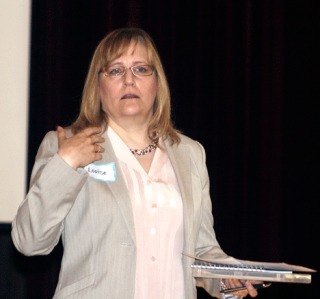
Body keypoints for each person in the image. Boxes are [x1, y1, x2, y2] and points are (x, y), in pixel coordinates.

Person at [11, 27, 261, 299]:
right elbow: (30, 242)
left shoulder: (189, 153)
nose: (129, 80)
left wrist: (226, 280)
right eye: (116, 70)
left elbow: (200, 250)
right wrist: (66, 163)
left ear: (157, 82)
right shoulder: (65, 144)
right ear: (98, 85)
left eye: (141, 69)